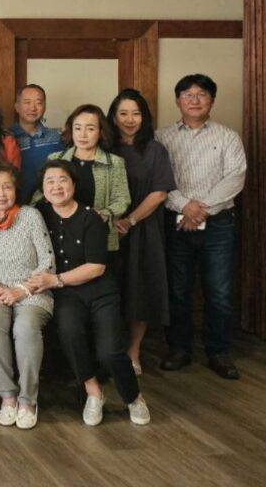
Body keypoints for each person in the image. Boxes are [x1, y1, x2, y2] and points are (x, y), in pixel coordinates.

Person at [29, 159, 151, 426]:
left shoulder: (91, 218)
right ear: (43, 190)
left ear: (74, 185)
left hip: (99, 292)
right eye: (50, 182)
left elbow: (96, 268)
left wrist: (55, 280)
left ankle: (134, 397)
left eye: (62, 180)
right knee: (70, 333)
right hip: (67, 295)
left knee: (109, 351)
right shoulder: (39, 214)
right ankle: (94, 392)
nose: (56, 186)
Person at [155, 74, 246, 380]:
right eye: (187, 94)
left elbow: (235, 178)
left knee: (219, 292)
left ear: (212, 100)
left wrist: (200, 209)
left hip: (218, 225)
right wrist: (184, 206)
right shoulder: (161, 137)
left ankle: (218, 352)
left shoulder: (228, 137)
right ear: (177, 100)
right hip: (175, 223)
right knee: (177, 290)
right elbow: (158, 180)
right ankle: (179, 349)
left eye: (202, 94)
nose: (194, 100)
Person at [0, 161, 52, 430]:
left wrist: (23, 289)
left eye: (7, 187)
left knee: (25, 328)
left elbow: (48, 262)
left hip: (32, 290)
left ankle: (28, 400)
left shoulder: (30, 216)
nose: (1, 194)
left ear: (16, 189)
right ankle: (7, 395)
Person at [108, 89, 176, 375]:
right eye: (123, 113)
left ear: (144, 117)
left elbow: (160, 193)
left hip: (144, 228)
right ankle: (110, 350)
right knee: (111, 289)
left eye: (136, 114)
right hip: (108, 230)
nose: (129, 120)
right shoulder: (105, 149)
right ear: (113, 117)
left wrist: (130, 221)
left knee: (141, 290)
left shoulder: (155, 150)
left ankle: (133, 351)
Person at [37, 104, 130, 253]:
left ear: (101, 131)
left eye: (90, 129)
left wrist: (104, 214)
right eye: (78, 128)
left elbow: (122, 199)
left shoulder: (114, 162)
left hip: (97, 235)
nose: (83, 135)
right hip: (59, 235)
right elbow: (40, 195)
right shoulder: (55, 159)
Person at [10, 84, 63, 203]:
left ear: (44, 107)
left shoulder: (57, 137)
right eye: (27, 102)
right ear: (17, 107)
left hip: (52, 204)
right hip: (16, 205)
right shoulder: (7, 138)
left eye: (38, 103)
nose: (33, 108)